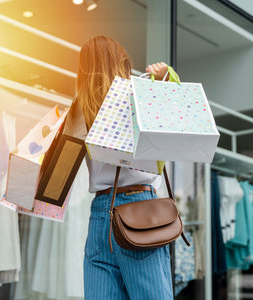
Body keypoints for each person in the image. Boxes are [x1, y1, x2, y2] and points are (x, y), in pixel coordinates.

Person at [76, 35, 173, 299]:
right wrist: (165, 79)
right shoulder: (138, 97)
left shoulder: (80, 109)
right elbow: (173, 122)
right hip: (139, 207)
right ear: (121, 62)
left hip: (100, 214)